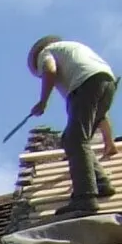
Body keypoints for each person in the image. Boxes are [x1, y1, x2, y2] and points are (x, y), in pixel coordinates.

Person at [25, 35, 118, 212]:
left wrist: (43, 102)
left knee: (75, 140)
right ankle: (101, 182)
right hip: (107, 82)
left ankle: (85, 198)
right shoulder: (73, 51)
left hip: (86, 85)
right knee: (73, 139)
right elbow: (101, 115)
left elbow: (50, 70)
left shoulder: (46, 53)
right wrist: (108, 141)